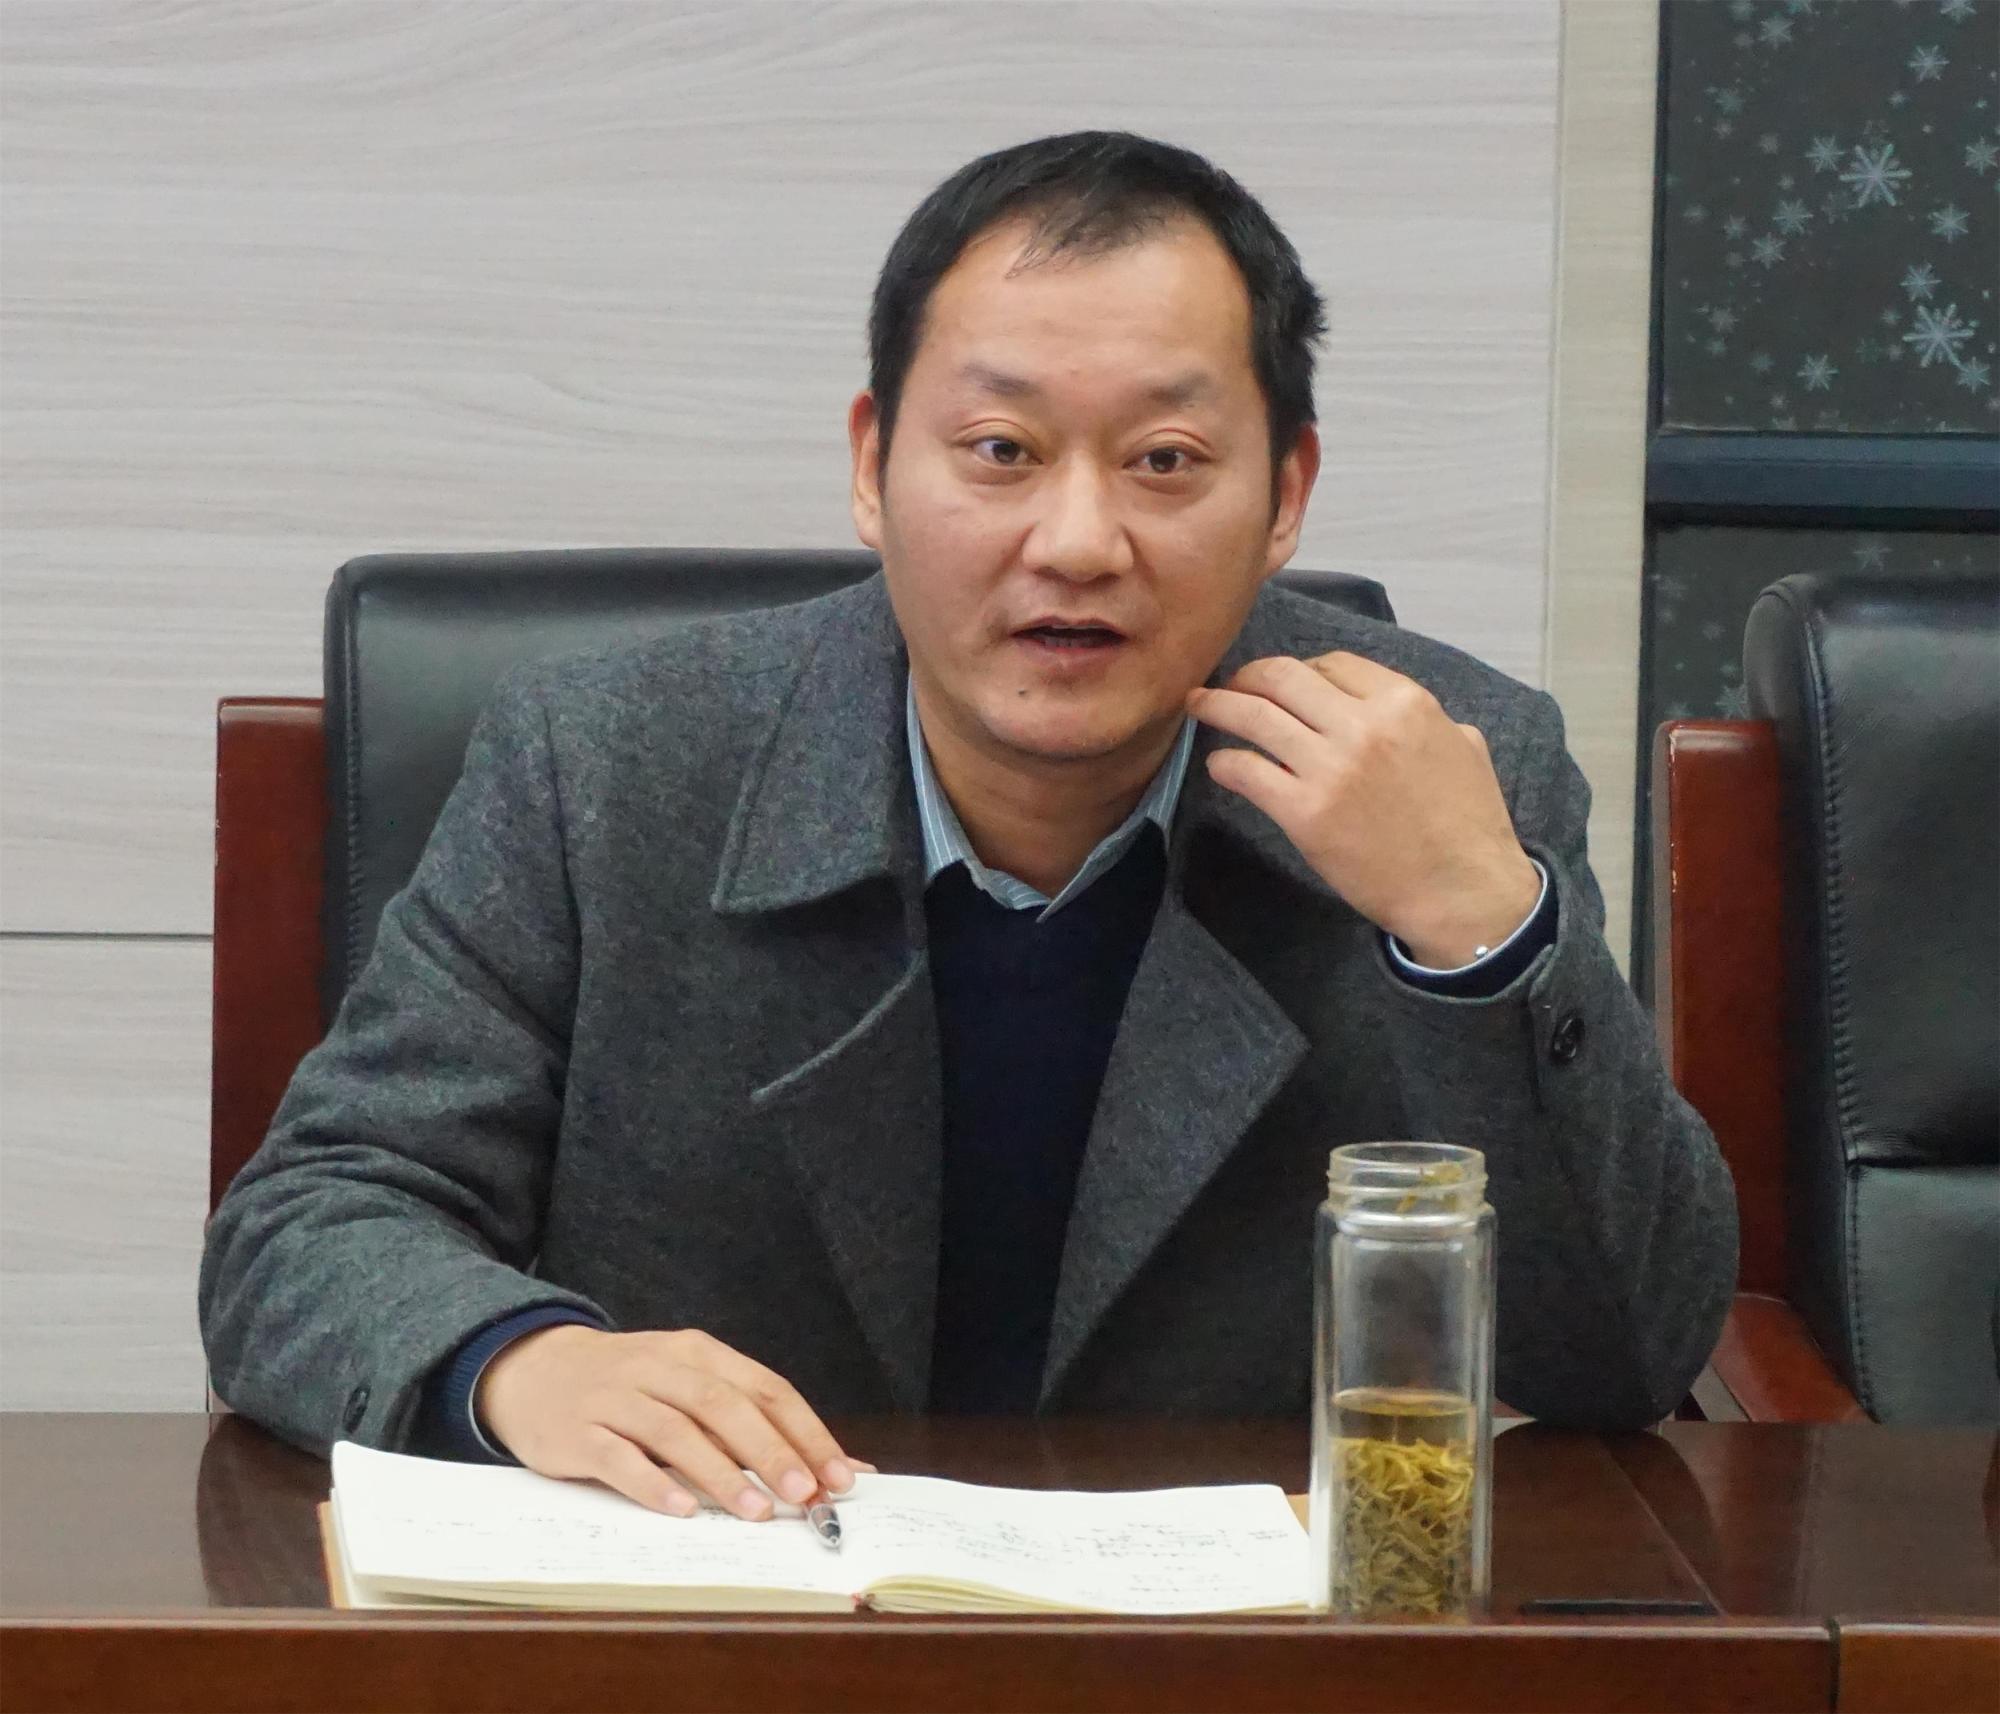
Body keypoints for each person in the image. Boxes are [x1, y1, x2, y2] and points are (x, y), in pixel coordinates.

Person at [199, 130, 1737, 1525]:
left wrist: (1481, 931)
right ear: (873, 466)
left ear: (1287, 495)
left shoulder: (1456, 769)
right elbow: (307, 1223)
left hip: (1219, 1663)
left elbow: (1625, 1351)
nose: (1077, 541)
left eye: (1166, 462)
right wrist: (519, 1360)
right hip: (728, 1636)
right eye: (1001, 451)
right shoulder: (605, 764)